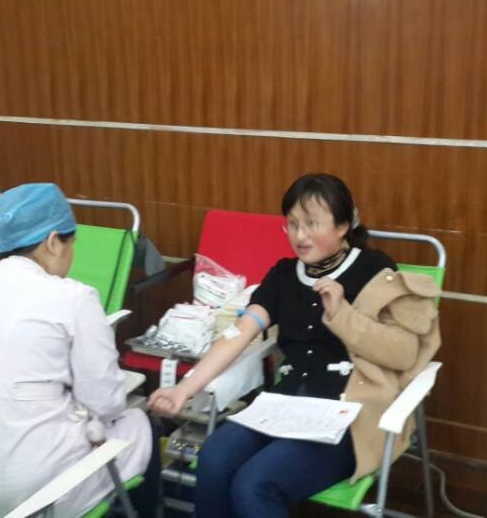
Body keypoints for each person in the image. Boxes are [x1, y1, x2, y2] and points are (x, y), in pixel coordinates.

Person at [149, 173, 441, 517]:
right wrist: (184, 389)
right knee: (214, 458)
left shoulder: (374, 269)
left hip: (349, 414)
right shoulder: (284, 275)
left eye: (312, 224)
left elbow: (403, 352)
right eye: (292, 224)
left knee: (255, 483)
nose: (300, 236)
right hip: (285, 404)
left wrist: (342, 314)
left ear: (343, 225)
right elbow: (239, 334)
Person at [0, 183, 157, 517]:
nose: (72, 254)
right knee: (139, 422)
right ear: (53, 242)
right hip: (31, 495)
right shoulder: (74, 298)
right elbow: (105, 402)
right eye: (72, 243)